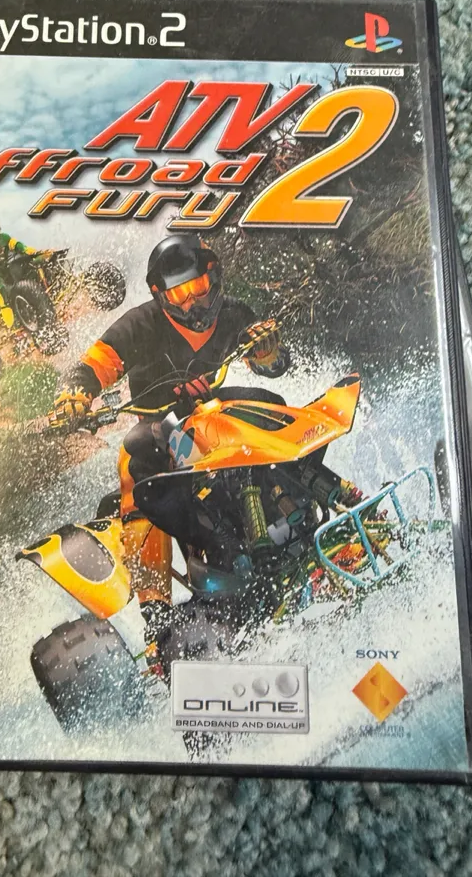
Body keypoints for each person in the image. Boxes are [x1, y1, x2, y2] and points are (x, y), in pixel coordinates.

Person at [53, 233, 290, 643]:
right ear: (161, 296)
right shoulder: (139, 325)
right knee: (135, 462)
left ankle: (303, 516)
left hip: (213, 420)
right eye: (180, 294)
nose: (193, 303)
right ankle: (157, 615)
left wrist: (269, 353)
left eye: (198, 287)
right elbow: (93, 365)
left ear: (213, 278)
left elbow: (273, 364)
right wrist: (75, 394)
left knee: (273, 406)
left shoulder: (236, 314)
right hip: (160, 433)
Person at [0, 217, 40, 312]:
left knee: (22, 279)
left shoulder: (4, 237)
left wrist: (25, 249)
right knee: (2, 291)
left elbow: (15, 244)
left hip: (7, 267)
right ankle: (7, 313)